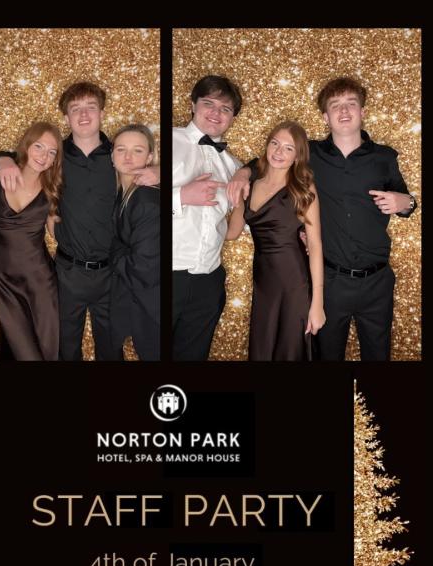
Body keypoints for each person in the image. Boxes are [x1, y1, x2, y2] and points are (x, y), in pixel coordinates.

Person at [228, 77, 416, 360]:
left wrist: (406, 202)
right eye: (335, 105)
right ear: (326, 117)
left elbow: (407, 202)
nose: (344, 110)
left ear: (362, 111)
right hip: (330, 281)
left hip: (377, 281)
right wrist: (243, 172)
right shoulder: (311, 154)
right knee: (326, 357)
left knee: (379, 357)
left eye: (351, 103)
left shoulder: (384, 157)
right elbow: (270, 161)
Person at [0, 82, 159, 360]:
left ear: (102, 113)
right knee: (65, 349)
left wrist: (159, 170)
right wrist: (3, 160)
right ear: (66, 117)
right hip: (67, 273)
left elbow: (155, 171)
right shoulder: (53, 156)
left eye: (91, 107)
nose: (84, 115)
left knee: (111, 351)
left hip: (111, 275)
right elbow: (20, 159)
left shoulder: (119, 155)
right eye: (75, 109)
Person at [226, 121, 324, 361]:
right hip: (264, 282)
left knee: (291, 350)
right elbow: (232, 232)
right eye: (275, 143)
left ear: (298, 156)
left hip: (295, 282)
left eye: (289, 148)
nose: (279, 152)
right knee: (264, 347)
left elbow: (315, 245)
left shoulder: (303, 189)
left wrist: (317, 304)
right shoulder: (250, 185)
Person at [172, 75, 243, 361]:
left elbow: (232, 228)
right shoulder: (165, 141)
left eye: (225, 108)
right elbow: (134, 201)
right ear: (193, 105)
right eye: (208, 103)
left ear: (232, 117)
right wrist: (182, 196)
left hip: (209, 280)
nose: (216, 113)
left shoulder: (233, 165)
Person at [0, 122, 61, 360]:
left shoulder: (51, 191)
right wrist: (2, 159)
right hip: (2, 279)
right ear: (26, 145)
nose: (44, 156)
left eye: (52, 152)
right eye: (39, 146)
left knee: (46, 349)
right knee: (19, 348)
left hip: (40, 280)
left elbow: (57, 234)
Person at [108, 124, 160, 361]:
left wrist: (112, 249)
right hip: (136, 300)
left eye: (137, 150)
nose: (128, 157)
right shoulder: (124, 192)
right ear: (112, 155)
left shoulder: (147, 200)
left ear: (150, 157)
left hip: (152, 306)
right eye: (121, 149)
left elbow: (143, 268)